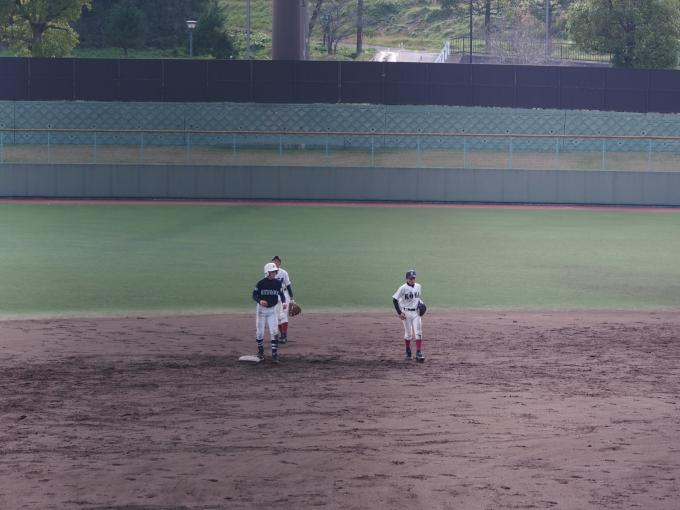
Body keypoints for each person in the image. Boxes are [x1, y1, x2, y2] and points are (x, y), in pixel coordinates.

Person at [252, 262, 287, 364]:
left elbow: (282, 294)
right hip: (261, 310)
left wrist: (284, 302)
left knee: (274, 332)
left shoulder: (277, 283)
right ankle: (260, 351)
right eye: (272, 272)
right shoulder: (261, 283)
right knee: (260, 333)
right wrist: (260, 301)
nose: (274, 273)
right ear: (267, 272)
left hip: (272, 310)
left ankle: (274, 356)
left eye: (275, 271)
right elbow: (254, 295)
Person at [392, 270, 425, 362]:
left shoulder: (418, 286)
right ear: (406, 278)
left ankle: (419, 353)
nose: (412, 280)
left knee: (418, 332)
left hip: (416, 313)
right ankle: (408, 350)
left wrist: (421, 303)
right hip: (406, 313)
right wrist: (399, 313)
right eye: (410, 278)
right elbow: (394, 299)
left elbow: (417, 298)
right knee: (408, 334)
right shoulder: (403, 288)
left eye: (413, 278)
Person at [271, 255, 295, 344]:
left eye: (277, 261)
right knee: (277, 316)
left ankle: (284, 336)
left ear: (280, 264)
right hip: (275, 295)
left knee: (283, 314)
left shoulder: (283, 273)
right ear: (271, 262)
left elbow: (288, 285)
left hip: (284, 294)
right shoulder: (268, 273)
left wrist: (292, 299)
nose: (276, 262)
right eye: (274, 261)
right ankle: (282, 335)